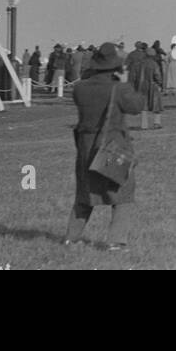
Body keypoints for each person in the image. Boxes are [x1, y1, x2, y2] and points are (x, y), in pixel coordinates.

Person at [64, 42, 146, 251]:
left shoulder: (80, 88)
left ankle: (71, 238)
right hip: (112, 147)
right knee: (123, 193)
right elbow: (137, 106)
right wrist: (126, 83)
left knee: (85, 194)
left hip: (86, 148)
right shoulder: (119, 88)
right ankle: (116, 242)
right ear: (116, 67)